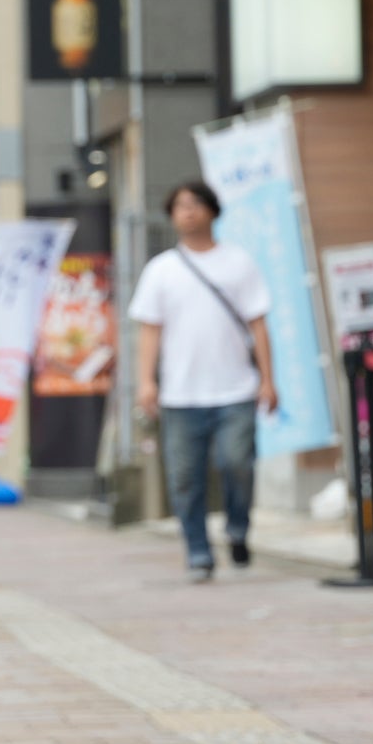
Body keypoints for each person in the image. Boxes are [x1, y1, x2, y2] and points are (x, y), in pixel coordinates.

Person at [129, 181, 279, 579]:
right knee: (184, 479)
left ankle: (237, 530)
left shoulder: (239, 262)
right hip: (180, 394)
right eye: (180, 206)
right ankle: (197, 551)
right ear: (172, 216)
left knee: (237, 465)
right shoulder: (160, 270)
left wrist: (268, 379)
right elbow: (149, 331)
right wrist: (146, 381)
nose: (189, 212)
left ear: (213, 211)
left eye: (196, 204)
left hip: (236, 390)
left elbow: (258, 324)